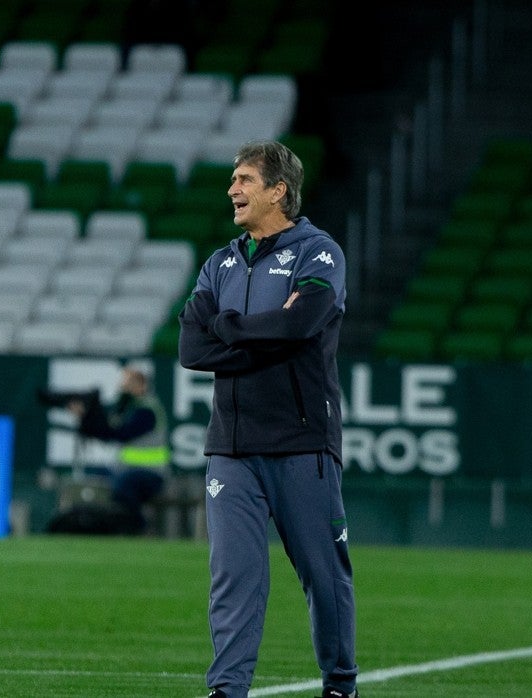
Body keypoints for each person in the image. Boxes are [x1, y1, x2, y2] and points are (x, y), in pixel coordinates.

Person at [178, 140, 358, 698]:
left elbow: (302, 323)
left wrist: (228, 328)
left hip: (302, 441)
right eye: (233, 179)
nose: (232, 189)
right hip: (230, 447)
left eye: (244, 180)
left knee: (322, 577)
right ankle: (227, 690)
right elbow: (191, 346)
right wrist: (259, 333)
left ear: (279, 190)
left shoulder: (319, 252)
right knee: (234, 578)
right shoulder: (220, 262)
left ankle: (340, 683)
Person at [39, 366, 170, 535]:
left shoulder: (147, 410)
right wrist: (85, 418)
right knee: (95, 478)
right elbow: (108, 431)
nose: (123, 387)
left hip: (150, 474)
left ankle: (138, 528)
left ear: (141, 385)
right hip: (127, 470)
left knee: (124, 486)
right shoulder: (129, 407)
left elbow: (120, 434)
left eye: (128, 383)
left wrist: (91, 421)